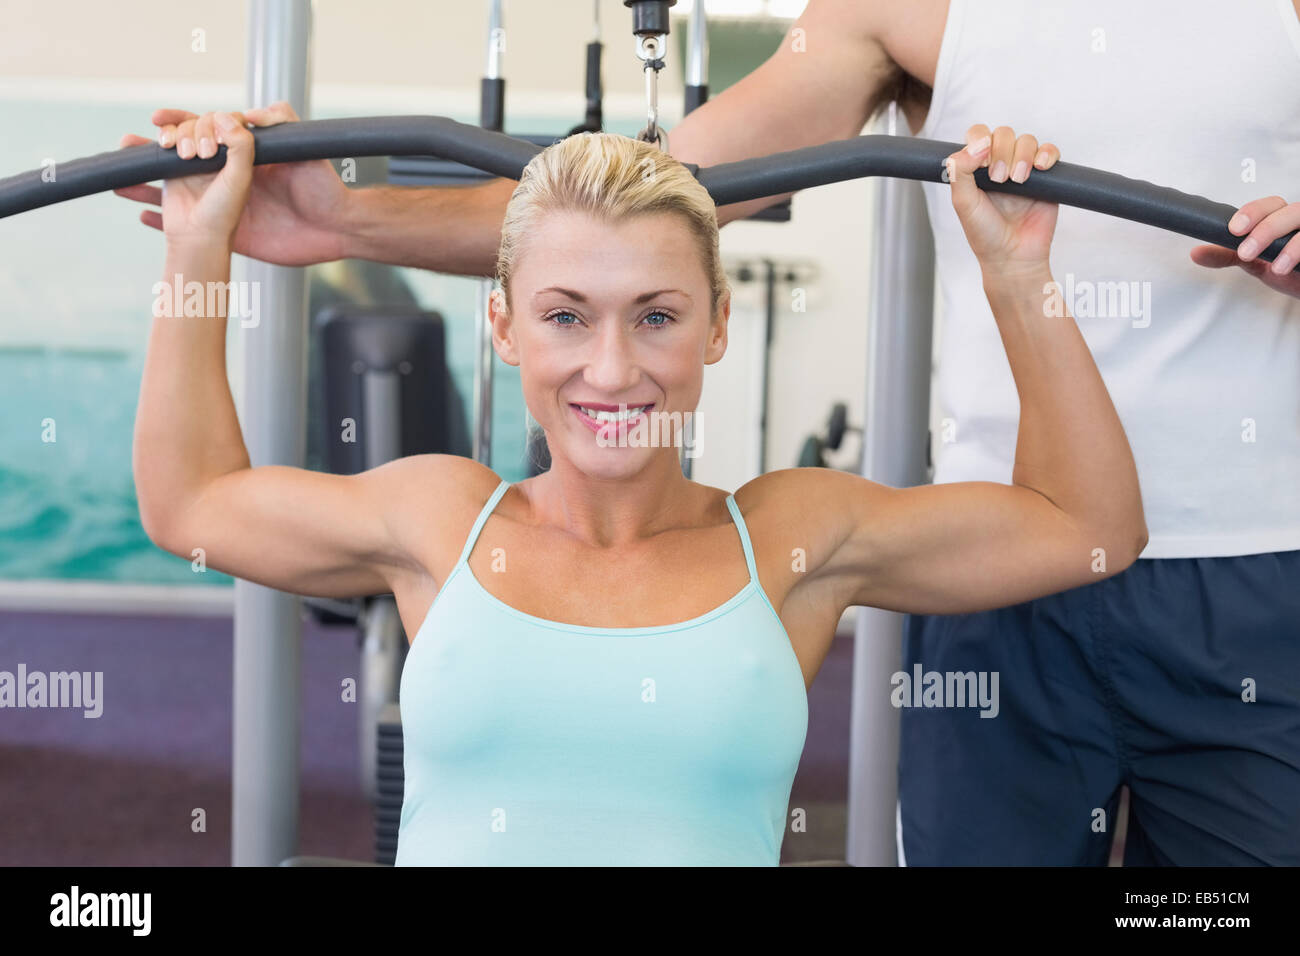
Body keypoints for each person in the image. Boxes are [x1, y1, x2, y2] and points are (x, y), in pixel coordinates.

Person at [120, 0, 1300, 865]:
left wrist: (1016, 270)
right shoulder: (442, 516)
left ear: (718, 326)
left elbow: (1091, 526)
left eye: (657, 316)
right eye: (566, 318)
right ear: (503, 328)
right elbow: (191, 504)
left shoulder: (787, 535)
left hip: (1251, 561)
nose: (613, 366)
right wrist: (221, 237)